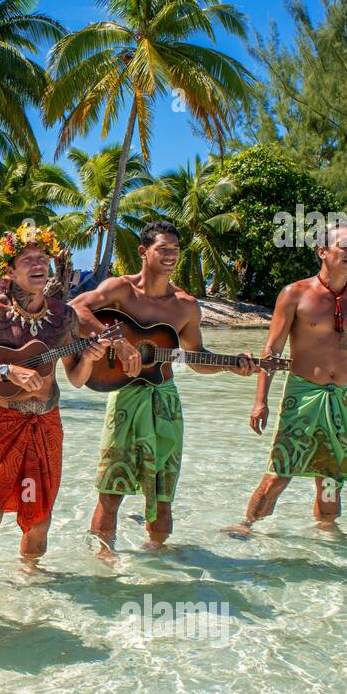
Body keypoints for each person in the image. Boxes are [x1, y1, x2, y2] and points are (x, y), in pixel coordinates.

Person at [71, 220, 256, 555]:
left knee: (163, 491)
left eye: (176, 250)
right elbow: (75, 309)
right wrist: (117, 342)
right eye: (163, 249)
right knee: (111, 489)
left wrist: (232, 366)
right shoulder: (120, 289)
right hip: (126, 397)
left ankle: (155, 558)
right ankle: (103, 559)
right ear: (143, 252)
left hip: (166, 401)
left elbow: (197, 357)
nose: (171, 255)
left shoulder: (185, 305)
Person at [0, 224, 125, 570]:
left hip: (46, 426)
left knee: (40, 517)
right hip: (3, 427)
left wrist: (89, 359)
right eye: (27, 259)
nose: (37, 264)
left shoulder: (64, 318)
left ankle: (31, 584)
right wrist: (5, 371)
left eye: (42, 258)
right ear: (9, 270)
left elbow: (76, 378)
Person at [233, 224, 347, 532]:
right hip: (303, 395)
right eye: (343, 247)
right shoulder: (295, 294)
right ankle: (247, 524)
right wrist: (260, 401)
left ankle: (326, 534)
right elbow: (273, 350)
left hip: (341, 399)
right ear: (323, 252)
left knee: (332, 479)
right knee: (280, 472)